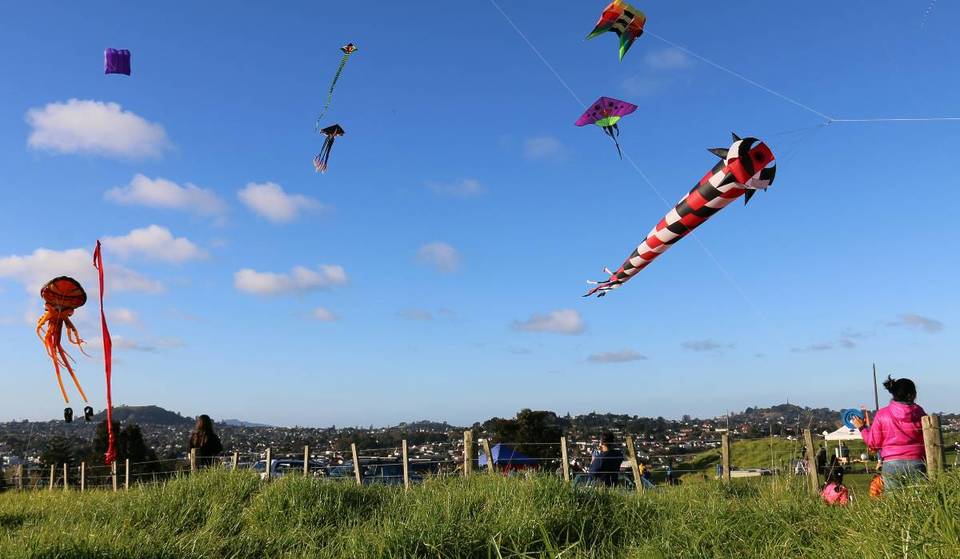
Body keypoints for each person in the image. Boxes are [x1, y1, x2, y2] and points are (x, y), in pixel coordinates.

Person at [852, 376, 926, 490]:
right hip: (917, 461)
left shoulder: (882, 414)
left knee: (894, 502)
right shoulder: (920, 413)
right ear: (912, 394)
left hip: (891, 463)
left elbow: (873, 443)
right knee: (921, 502)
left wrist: (862, 428)